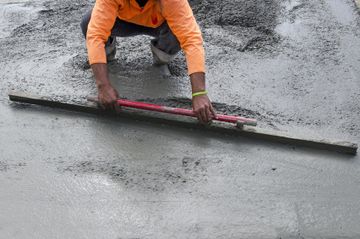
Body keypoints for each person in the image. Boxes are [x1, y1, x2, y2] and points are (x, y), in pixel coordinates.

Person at [81, 0, 215, 123]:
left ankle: (161, 57)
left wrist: (199, 93)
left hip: (160, 23)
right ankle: (105, 55)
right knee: (89, 22)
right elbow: (96, 35)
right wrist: (103, 85)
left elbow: (191, 40)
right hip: (120, 20)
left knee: (177, 36)